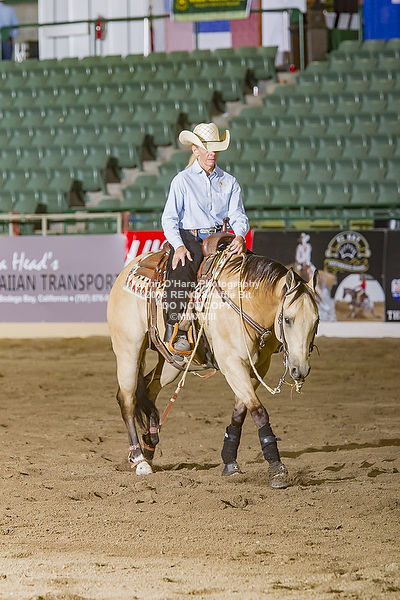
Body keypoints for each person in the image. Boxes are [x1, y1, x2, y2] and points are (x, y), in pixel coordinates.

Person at [161, 122, 250, 355]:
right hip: (190, 237)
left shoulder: (229, 181)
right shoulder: (182, 180)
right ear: (195, 150)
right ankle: (176, 328)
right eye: (207, 148)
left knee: (249, 269)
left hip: (221, 238)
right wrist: (179, 246)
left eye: (215, 148)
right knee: (182, 271)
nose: (212, 153)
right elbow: (169, 219)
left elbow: (238, 215)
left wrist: (240, 236)